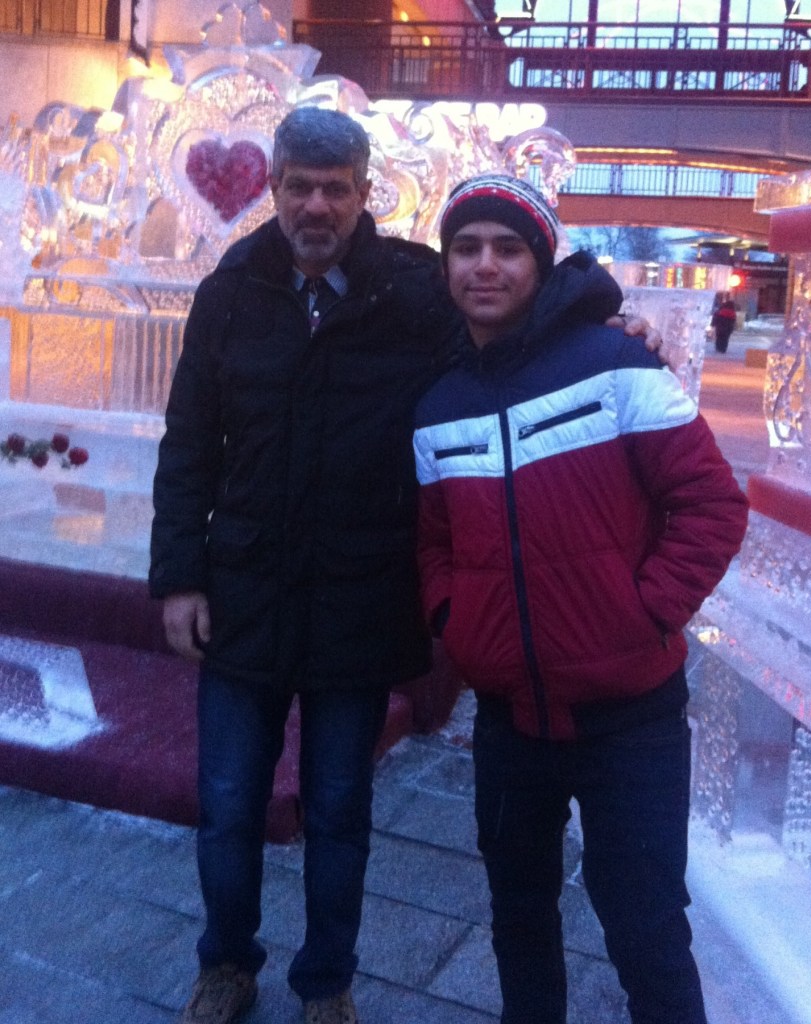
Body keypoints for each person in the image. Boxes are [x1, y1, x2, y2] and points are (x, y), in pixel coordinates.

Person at [150, 108, 663, 1024]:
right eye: (299, 186)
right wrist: (178, 575)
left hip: (359, 599)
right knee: (228, 805)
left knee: (340, 809)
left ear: (363, 192)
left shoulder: (413, 293)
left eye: (334, 187)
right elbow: (189, 442)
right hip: (242, 595)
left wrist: (614, 335)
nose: (316, 204)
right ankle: (225, 962)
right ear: (271, 190)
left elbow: (515, 327)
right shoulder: (230, 293)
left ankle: (327, 982)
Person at [413, 174, 749, 1024]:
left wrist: (640, 615)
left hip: (628, 717)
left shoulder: (614, 366)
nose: (484, 266)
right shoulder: (438, 406)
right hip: (509, 718)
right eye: (465, 247)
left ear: (539, 261)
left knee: (643, 928)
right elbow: (435, 542)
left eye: (507, 247)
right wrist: (456, 622)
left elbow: (710, 504)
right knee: (518, 919)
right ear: (445, 264)